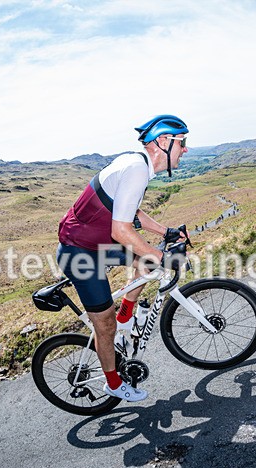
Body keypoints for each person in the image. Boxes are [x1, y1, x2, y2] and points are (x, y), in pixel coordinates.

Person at [56, 115, 190, 402]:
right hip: (80, 253)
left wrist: (164, 231)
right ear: (163, 142)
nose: (186, 149)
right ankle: (114, 383)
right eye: (182, 142)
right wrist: (162, 254)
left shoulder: (137, 165)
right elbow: (121, 229)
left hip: (96, 243)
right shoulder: (135, 169)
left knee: (147, 262)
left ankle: (126, 316)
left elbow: (132, 214)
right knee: (105, 325)